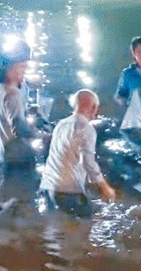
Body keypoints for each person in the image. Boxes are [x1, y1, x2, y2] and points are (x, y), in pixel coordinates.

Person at [37, 89, 116, 217]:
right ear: (93, 107)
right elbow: (87, 162)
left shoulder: (61, 125)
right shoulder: (87, 129)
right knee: (86, 227)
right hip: (68, 191)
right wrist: (104, 187)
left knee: (58, 229)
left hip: (47, 187)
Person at [0, 39, 39, 212]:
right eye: (23, 67)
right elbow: (20, 129)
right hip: (15, 157)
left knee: (1, 197)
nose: (25, 71)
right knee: (22, 202)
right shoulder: (12, 93)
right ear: (13, 67)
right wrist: (42, 136)